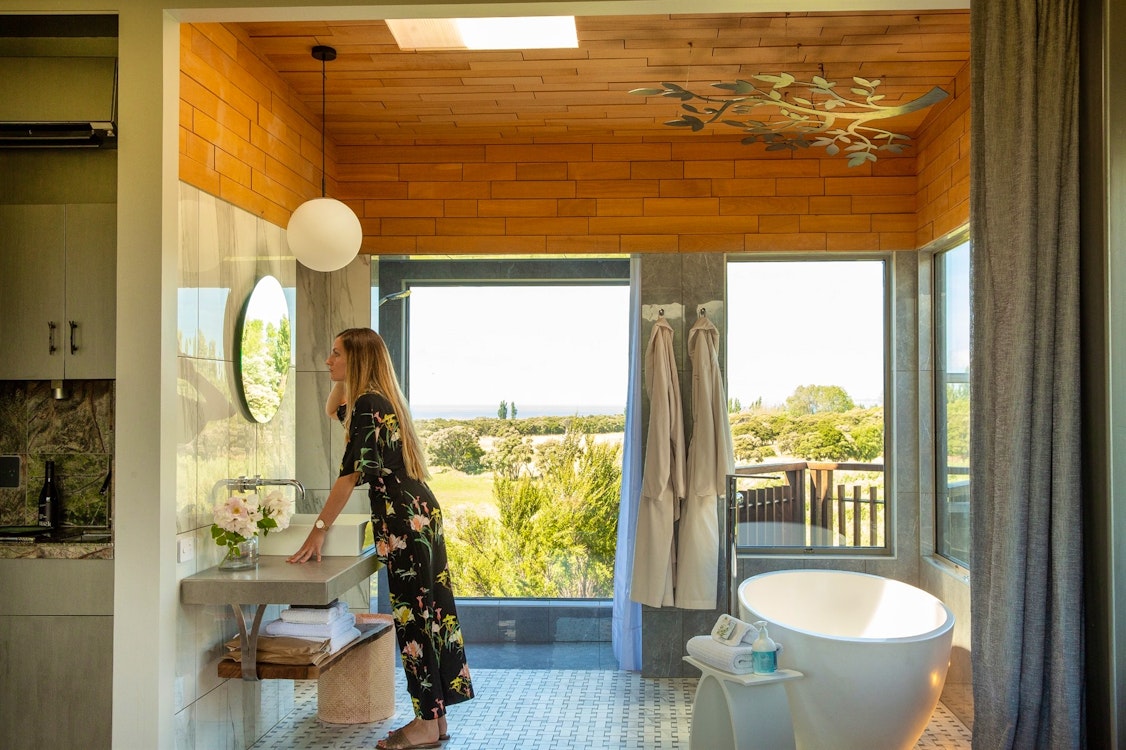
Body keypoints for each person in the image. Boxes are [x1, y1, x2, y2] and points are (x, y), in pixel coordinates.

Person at [289, 327, 474, 750]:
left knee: (414, 618)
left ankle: (425, 724)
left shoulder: (370, 405)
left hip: (403, 520)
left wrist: (319, 531)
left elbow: (349, 476)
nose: (327, 360)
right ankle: (436, 719)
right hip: (416, 514)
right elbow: (331, 406)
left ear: (356, 360)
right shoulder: (373, 401)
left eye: (335, 354)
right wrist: (345, 374)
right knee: (429, 614)